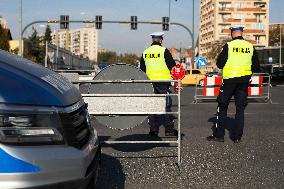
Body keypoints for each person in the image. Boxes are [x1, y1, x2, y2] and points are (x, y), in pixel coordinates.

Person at [207, 26, 260, 143]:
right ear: (242, 33)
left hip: (229, 81)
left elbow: (220, 64)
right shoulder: (250, 46)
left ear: (232, 34)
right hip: (244, 82)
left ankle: (219, 135)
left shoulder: (229, 46)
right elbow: (256, 66)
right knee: (240, 109)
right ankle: (237, 137)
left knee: (222, 106)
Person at [140, 32, 178, 137]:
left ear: (152, 40)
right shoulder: (163, 51)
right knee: (166, 106)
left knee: (152, 106)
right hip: (163, 82)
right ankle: (169, 130)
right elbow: (172, 66)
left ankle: (153, 130)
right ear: (161, 39)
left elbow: (142, 70)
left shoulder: (145, 52)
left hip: (149, 83)